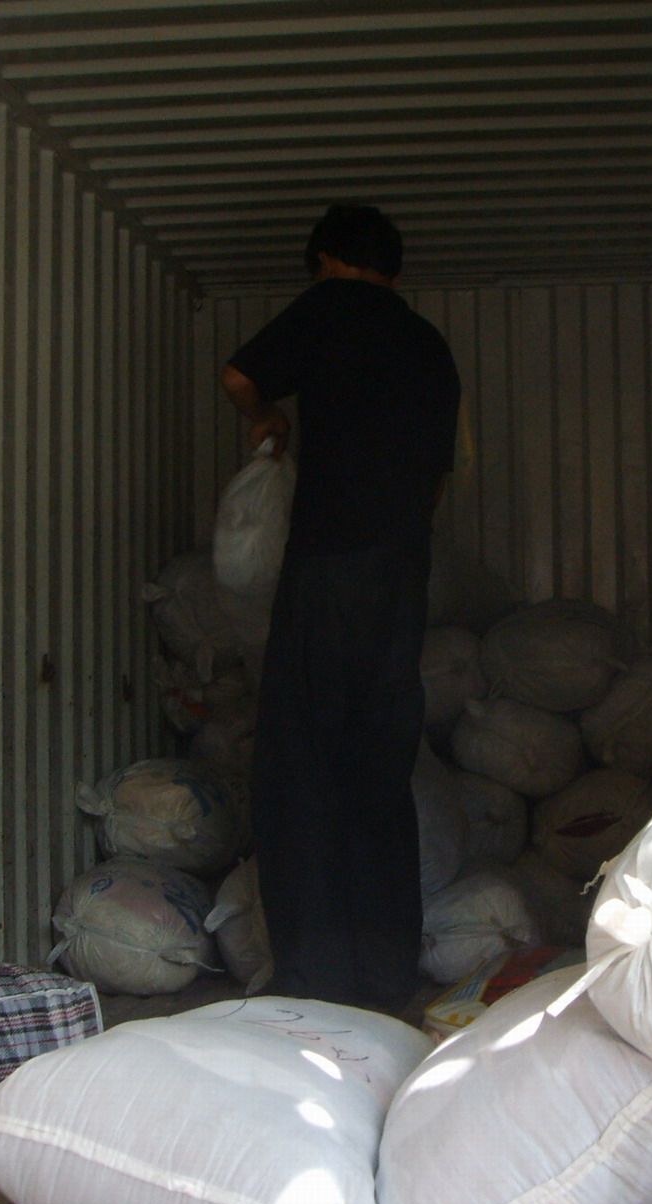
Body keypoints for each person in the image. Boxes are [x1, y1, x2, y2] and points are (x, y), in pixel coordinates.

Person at [220, 204, 460, 1011]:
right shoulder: (427, 344)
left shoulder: (329, 306)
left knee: (300, 765)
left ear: (326, 259)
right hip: (400, 574)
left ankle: (313, 978)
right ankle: (385, 979)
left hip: (328, 570)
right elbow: (436, 478)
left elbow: (239, 376)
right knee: (378, 770)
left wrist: (267, 418)